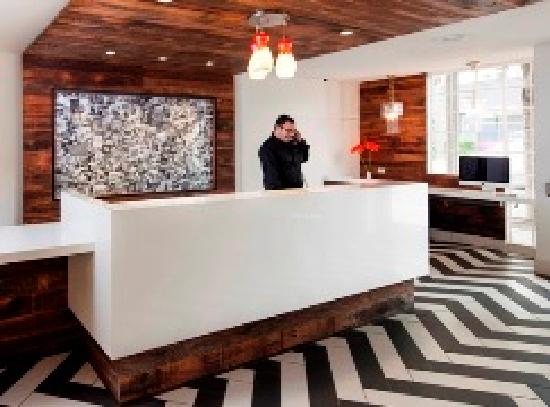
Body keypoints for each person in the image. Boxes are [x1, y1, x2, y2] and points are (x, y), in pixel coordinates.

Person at [258, 114, 310, 190]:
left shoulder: (293, 143)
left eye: (293, 131)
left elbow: (304, 158)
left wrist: (301, 142)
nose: (292, 134)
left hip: (297, 191)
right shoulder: (268, 148)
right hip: (279, 192)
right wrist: (281, 195)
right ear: (277, 129)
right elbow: (272, 178)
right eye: (288, 130)